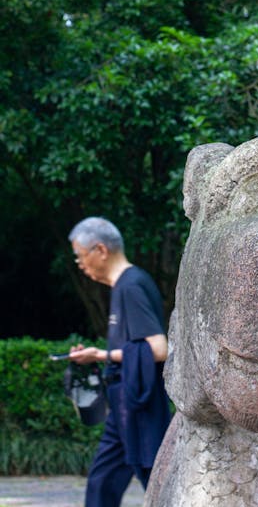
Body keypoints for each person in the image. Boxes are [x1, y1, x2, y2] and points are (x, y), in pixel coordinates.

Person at [68, 216, 171, 507]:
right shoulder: (123, 286)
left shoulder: (131, 286)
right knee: (102, 482)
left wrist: (100, 355)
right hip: (124, 402)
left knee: (156, 481)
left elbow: (158, 348)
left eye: (80, 256)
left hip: (138, 402)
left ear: (100, 250)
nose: (80, 264)